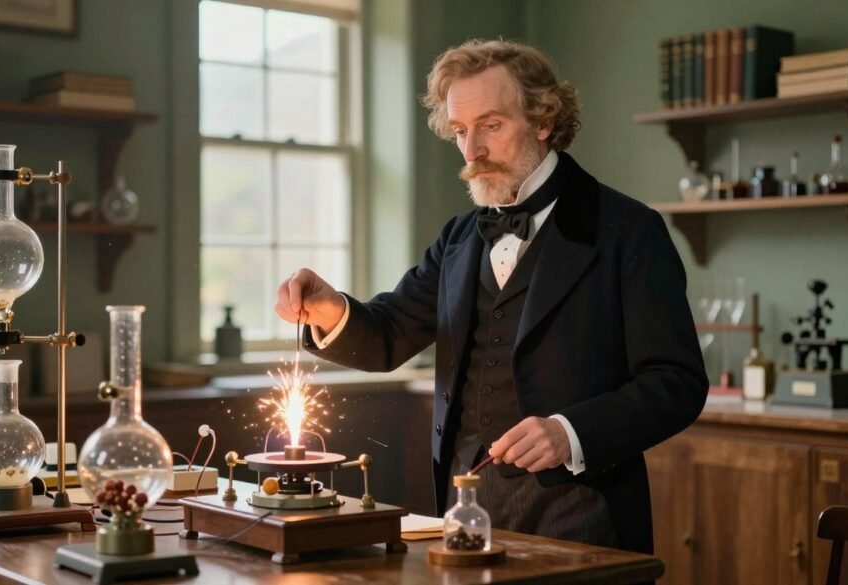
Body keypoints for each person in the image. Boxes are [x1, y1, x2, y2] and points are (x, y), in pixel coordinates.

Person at [275, 39, 707, 555]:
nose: (471, 151)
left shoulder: (629, 231)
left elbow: (676, 382)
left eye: (491, 125)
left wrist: (569, 432)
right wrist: (329, 308)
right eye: (460, 130)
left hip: (582, 509)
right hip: (464, 500)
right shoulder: (458, 237)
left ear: (543, 120)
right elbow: (389, 334)